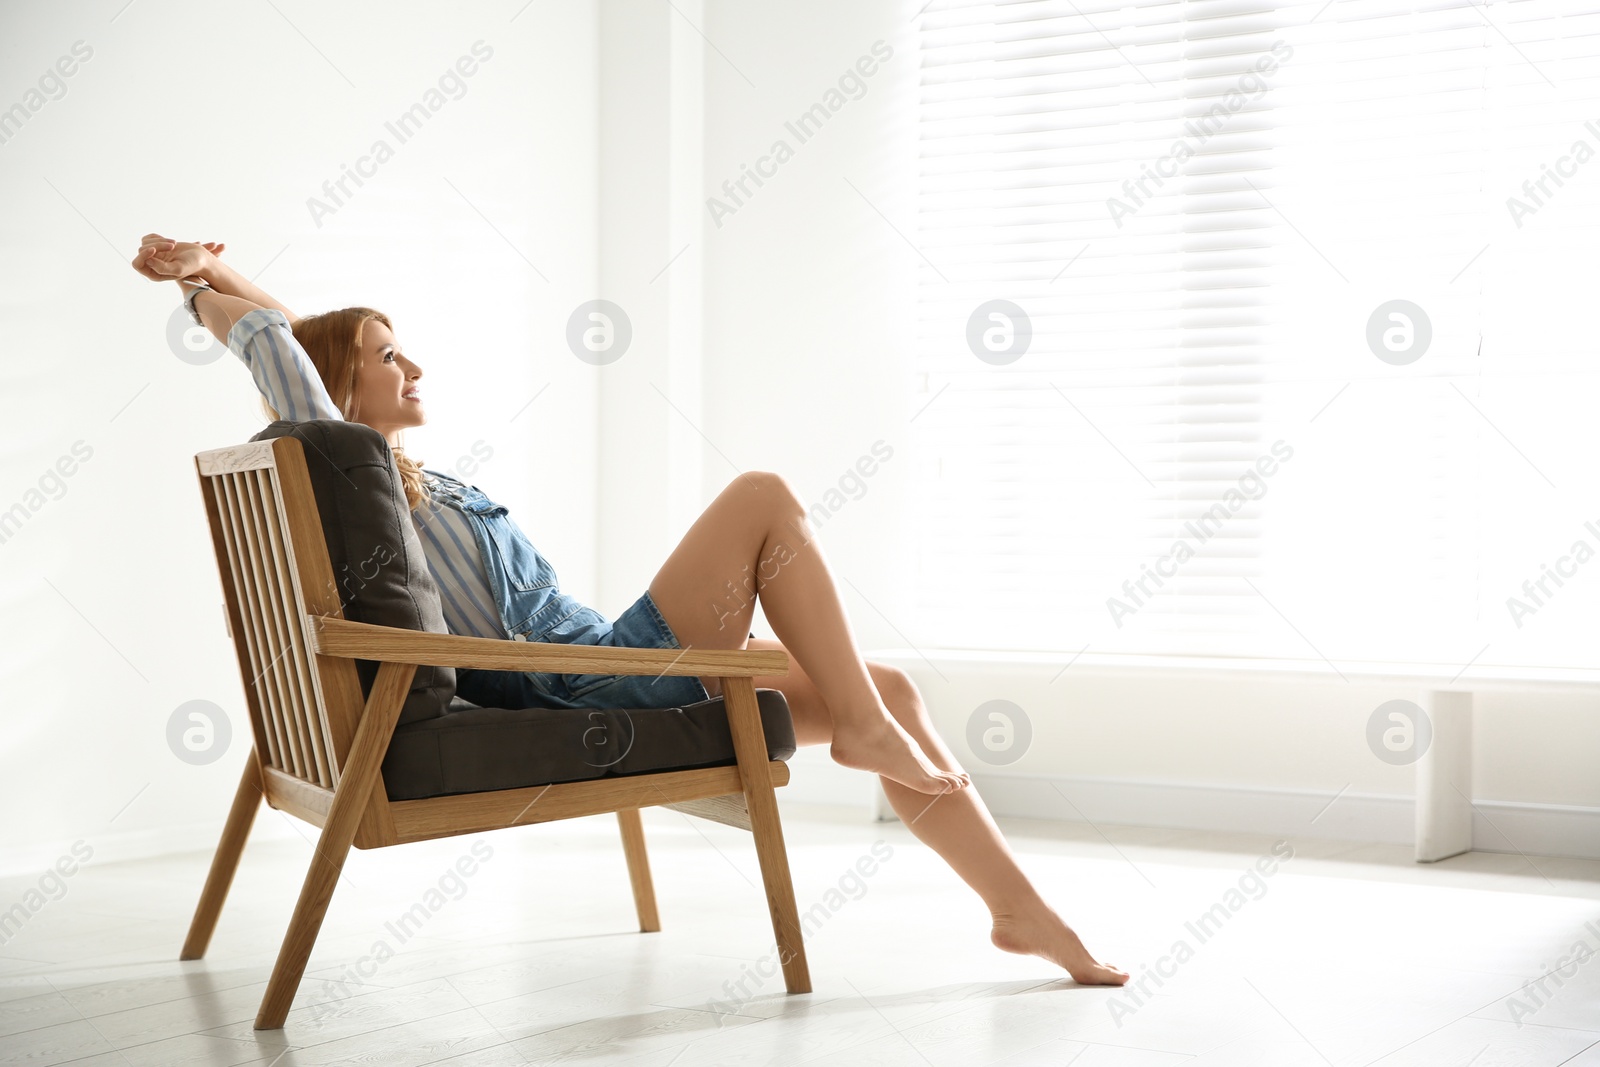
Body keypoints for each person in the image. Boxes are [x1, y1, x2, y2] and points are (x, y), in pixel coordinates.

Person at [132, 234, 1129, 986]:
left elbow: (294, 333)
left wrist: (216, 264)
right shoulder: (359, 477)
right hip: (590, 681)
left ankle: (1021, 910)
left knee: (892, 683)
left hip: (597, 660)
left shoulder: (396, 480)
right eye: (391, 354)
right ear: (341, 382)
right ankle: (867, 731)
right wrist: (195, 291)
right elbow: (278, 346)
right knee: (762, 499)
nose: (415, 368)